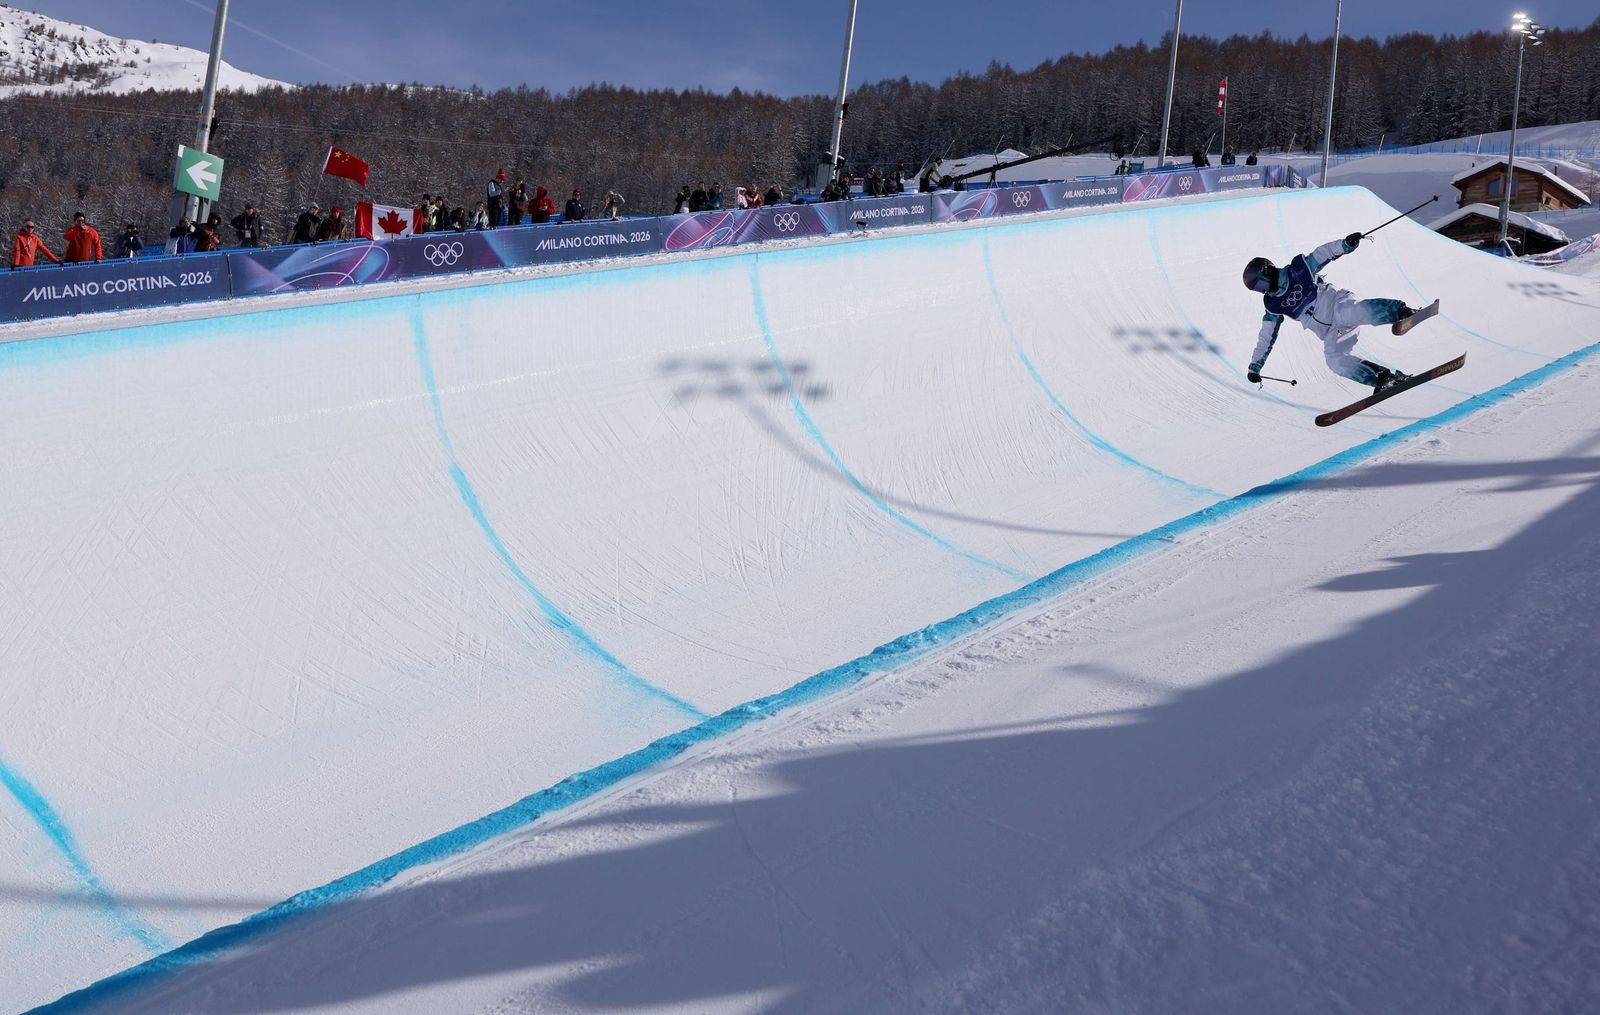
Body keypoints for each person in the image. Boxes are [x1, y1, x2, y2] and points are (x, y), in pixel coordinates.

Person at [1243, 233, 1431, 394]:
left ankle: (1402, 312)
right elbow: (1266, 337)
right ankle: (1383, 378)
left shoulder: (1298, 270)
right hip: (1331, 331)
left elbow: (1322, 254)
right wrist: (1255, 366)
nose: (1264, 290)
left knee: (1351, 313)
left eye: (1262, 284)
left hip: (1337, 305)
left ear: (1268, 271)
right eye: (1258, 289)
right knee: (1334, 361)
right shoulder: (1272, 304)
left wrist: (1345, 245)